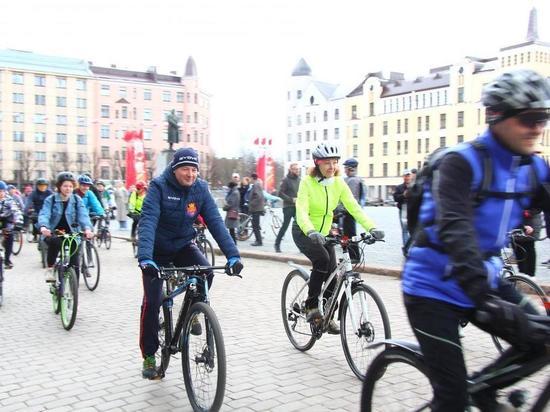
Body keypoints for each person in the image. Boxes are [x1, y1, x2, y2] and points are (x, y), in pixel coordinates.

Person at [402, 69, 550, 411]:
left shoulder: (534, 169)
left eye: (542, 118)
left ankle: (484, 391)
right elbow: (456, 230)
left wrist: (488, 294)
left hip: (485, 279)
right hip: (432, 289)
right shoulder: (462, 163)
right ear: (497, 117)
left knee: (542, 341)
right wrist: (485, 299)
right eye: (528, 119)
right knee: (452, 398)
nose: (537, 128)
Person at [137, 147, 243, 379]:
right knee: (152, 302)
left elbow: (215, 222)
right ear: (175, 169)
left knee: (206, 273)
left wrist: (233, 255)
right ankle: (149, 355)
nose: (190, 174)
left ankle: (193, 312)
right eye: (185, 169)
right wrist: (145, 257)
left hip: (183, 244)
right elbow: (148, 222)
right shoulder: (158, 187)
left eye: (194, 169)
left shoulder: (200, 189)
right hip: (156, 250)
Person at [292, 143, 384, 333]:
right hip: (304, 231)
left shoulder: (339, 183)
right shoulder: (306, 183)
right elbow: (301, 212)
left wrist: (372, 227)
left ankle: (325, 317)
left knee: (334, 277)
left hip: (324, 234)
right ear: (317, 163)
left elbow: (354, 207)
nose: (331, 167)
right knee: (322, 261)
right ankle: (311, 306)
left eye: (334, 162)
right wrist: (310, 231)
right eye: (327, 163)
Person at [37, 172, 94, 282]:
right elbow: (45, 214)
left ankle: (74, 289)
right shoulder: (51, 199)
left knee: (75, 262)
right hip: (54, 231)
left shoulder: (77, 199)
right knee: (55, 242)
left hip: (72, 232)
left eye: (71, 186)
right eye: (65, 186)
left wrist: (87, 228)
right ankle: (50, 269)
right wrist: (44, 227)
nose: (68, 189)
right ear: (59, 186)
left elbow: (83, 215)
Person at [339, 158, 367, 263]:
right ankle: (350, 255)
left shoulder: (352, 180)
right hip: (350, 212)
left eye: (346, 168)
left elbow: (350, 198)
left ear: (350, 168)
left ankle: (353, 256)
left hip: (348, 212)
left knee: (349, 234)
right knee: (347, 234)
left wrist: (342, 209)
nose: (345, 170)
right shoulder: (356, 179)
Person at [274, 163, 300, 253]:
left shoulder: (300, 180)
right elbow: (280, 193)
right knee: (285, 226)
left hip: (298, 207)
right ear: (291, 170)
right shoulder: (285, 180)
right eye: (295, 169)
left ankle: (302, 247)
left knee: (300, 227)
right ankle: (277, 244)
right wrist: (291, 199)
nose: (297, 171)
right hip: (288, 207)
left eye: (298, 169)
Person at [0, 181, 23, 269]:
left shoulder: (9, 200)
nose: (0, 193)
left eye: (1, 191)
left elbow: (16, 211)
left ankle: (7, 260)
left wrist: (19, 222)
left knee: (9, 237)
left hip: (7, 221)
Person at [393, 169, 412, 250]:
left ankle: (409, 247)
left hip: (412, 210)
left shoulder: (414, 186)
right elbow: (395, 198)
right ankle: (406, 248)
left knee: (412, 230)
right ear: (403, 177)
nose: (407, 177)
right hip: (403, 209)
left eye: (408, 176)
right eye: (405, 176)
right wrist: (403, 195)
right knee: (404, 230)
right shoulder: (399, 187)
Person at [247, 173, 265, 246]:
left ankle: (259, 241)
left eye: (250, 178)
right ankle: (258, 240)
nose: (250, 180)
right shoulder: (257, 184)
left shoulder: (256, 184)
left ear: (252, 178)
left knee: (255, 225)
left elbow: (258, 196)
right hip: (257, 208)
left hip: (256, 208)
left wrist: (251, 203)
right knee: (256, 225)